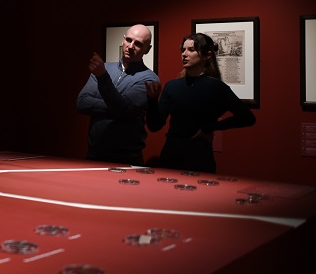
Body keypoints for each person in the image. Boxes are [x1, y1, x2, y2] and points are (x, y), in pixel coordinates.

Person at [145, 32, 256, 173]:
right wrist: (152, 100)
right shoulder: (172, 86)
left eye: (191, 50)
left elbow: (247, 118)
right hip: (171, 155)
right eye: (183, 49)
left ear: (207, 56)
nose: (184, 54)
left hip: (199, 156)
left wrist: (209, 127)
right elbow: (154, 126)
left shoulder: (216, 87)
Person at [76, 24, 159, 166]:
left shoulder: (149, 79)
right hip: (94, 155)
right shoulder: (105, 67)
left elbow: (123, 109)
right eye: (128, 40)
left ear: (147, 49)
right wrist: (126, 110)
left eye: (138, 43)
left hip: (127, 159)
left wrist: (103, 77)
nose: (131, 46)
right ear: (123, 40)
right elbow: (82, 103)